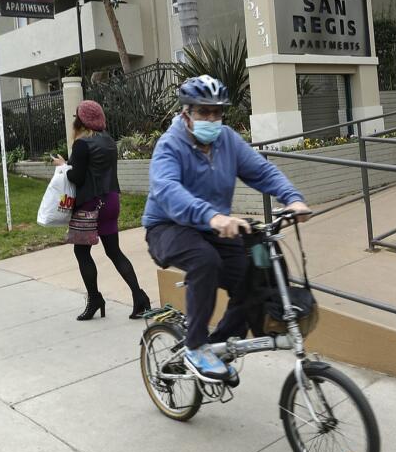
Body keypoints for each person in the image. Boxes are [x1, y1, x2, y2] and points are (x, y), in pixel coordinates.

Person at [143, 75, 312, 382]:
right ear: (186, 114)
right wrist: (212, 216)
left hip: (212, 227)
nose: (211, 118)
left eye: (217, 112)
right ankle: (195, 346)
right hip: (167, 226)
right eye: (203, 112)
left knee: (253, 274)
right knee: (204, 260)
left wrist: (293, 199)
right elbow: (167, 190)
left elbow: (261, 170)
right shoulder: (170, 145)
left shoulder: (227, 140)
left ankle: (219, 344)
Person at [53, 100, 151, 321]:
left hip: (89, 205)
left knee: (81, 252)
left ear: (80, 120)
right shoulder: (108, 141)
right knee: (114, 251)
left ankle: (95, 298)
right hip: (111, 201)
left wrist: (62, 168)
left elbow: (77, 177)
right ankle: (139, 297)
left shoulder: (82, 144)